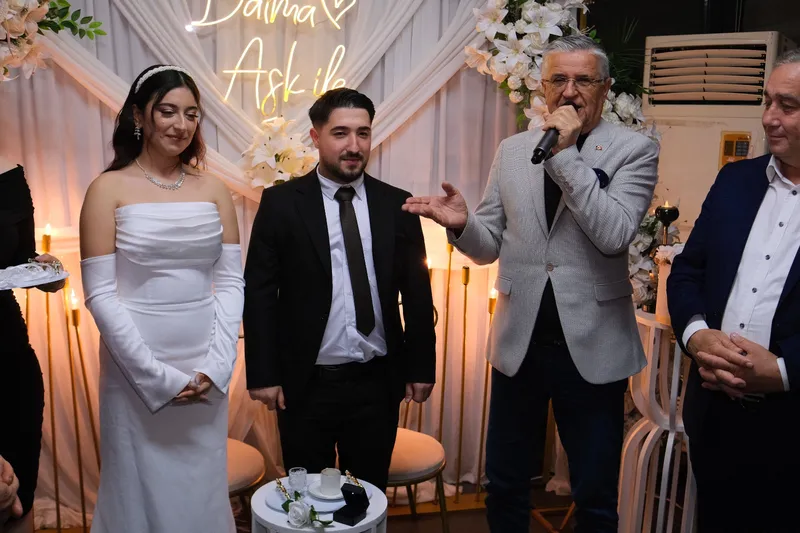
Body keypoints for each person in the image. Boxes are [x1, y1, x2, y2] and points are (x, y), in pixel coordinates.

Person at [404, 35, 659, 532]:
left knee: (594, 495)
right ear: (543, 87)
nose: (569, 91)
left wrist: (564, 155)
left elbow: (614, 235)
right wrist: (462, 225)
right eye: (558, 79)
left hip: (593, 345)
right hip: (519, 342)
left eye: (583, 80)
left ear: (605, 88)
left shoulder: (634, 151)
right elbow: (488, 245)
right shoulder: (513, 150)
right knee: (504, 485)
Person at [243, 88, 436, 491]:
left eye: (363, 133)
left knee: (365, 498)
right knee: (308, 503)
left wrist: (421, 367)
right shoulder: (281, 204)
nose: (354, 146)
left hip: (376, 383)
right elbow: (259, 294)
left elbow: (418, 293)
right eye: (341, 133)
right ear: (316, 137)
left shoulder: (396, 204)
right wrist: (263, 374)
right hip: (305, 385)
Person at [79, 65, 244, 533]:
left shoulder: (214, 189)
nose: (181, 124)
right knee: (138, 490)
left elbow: (232, 283)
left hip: (205, 365)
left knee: (199, 491)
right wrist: (156, 376)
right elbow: (100, 294)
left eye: (191, 114)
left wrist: (217, 365)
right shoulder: (107, 188)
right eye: (167, 111)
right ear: (139, 115)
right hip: (135, 368)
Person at [667, 48, 800, 532]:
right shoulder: (735, 180)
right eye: (767, 101)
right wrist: (698, 336)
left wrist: (782, 371)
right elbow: (688, 272)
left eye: (788, 106)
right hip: (715, 415)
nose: (769, 118)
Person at [0, 154, 65, 533]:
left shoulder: (8, 175)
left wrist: (47, 271)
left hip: (11, 363)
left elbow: (21, 259)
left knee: (18, 497)